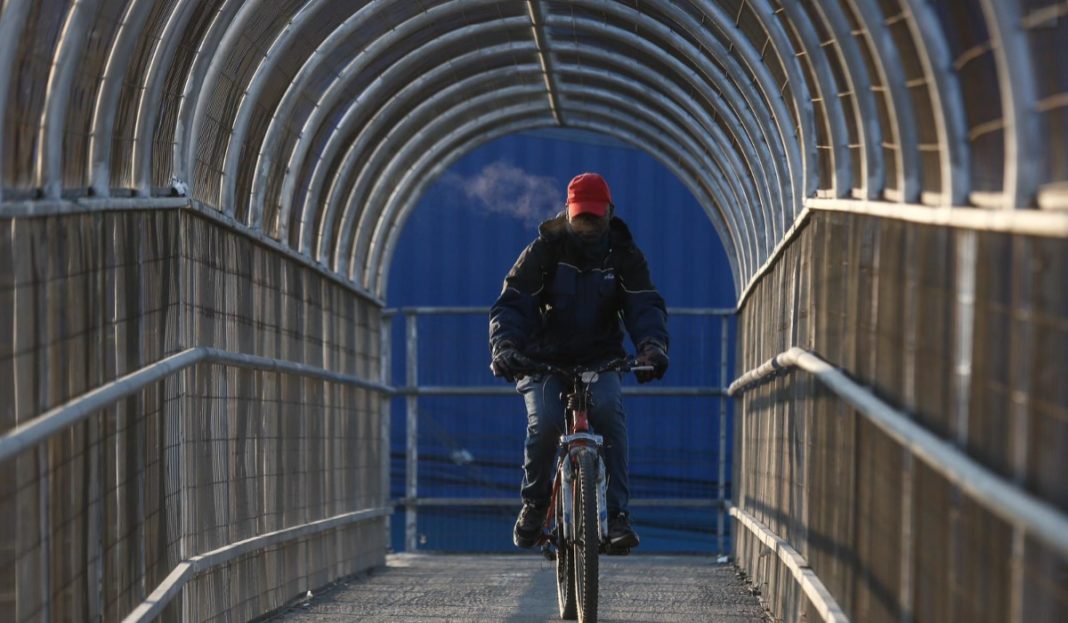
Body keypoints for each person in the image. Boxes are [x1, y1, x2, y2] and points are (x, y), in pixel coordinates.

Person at [488, 172, 670, 550]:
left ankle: (617, 515)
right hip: (541, 361)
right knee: (546, 423)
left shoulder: (624, 254)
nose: (588, 225)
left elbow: (643, 305)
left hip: (600, 359)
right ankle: (536, 504)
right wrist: (505, 347)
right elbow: (514, 304)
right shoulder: (544, 251)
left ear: (609, 213)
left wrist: (651, 346)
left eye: (595, 217)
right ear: (568, 213)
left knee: (609, 415)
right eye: (581, 216)